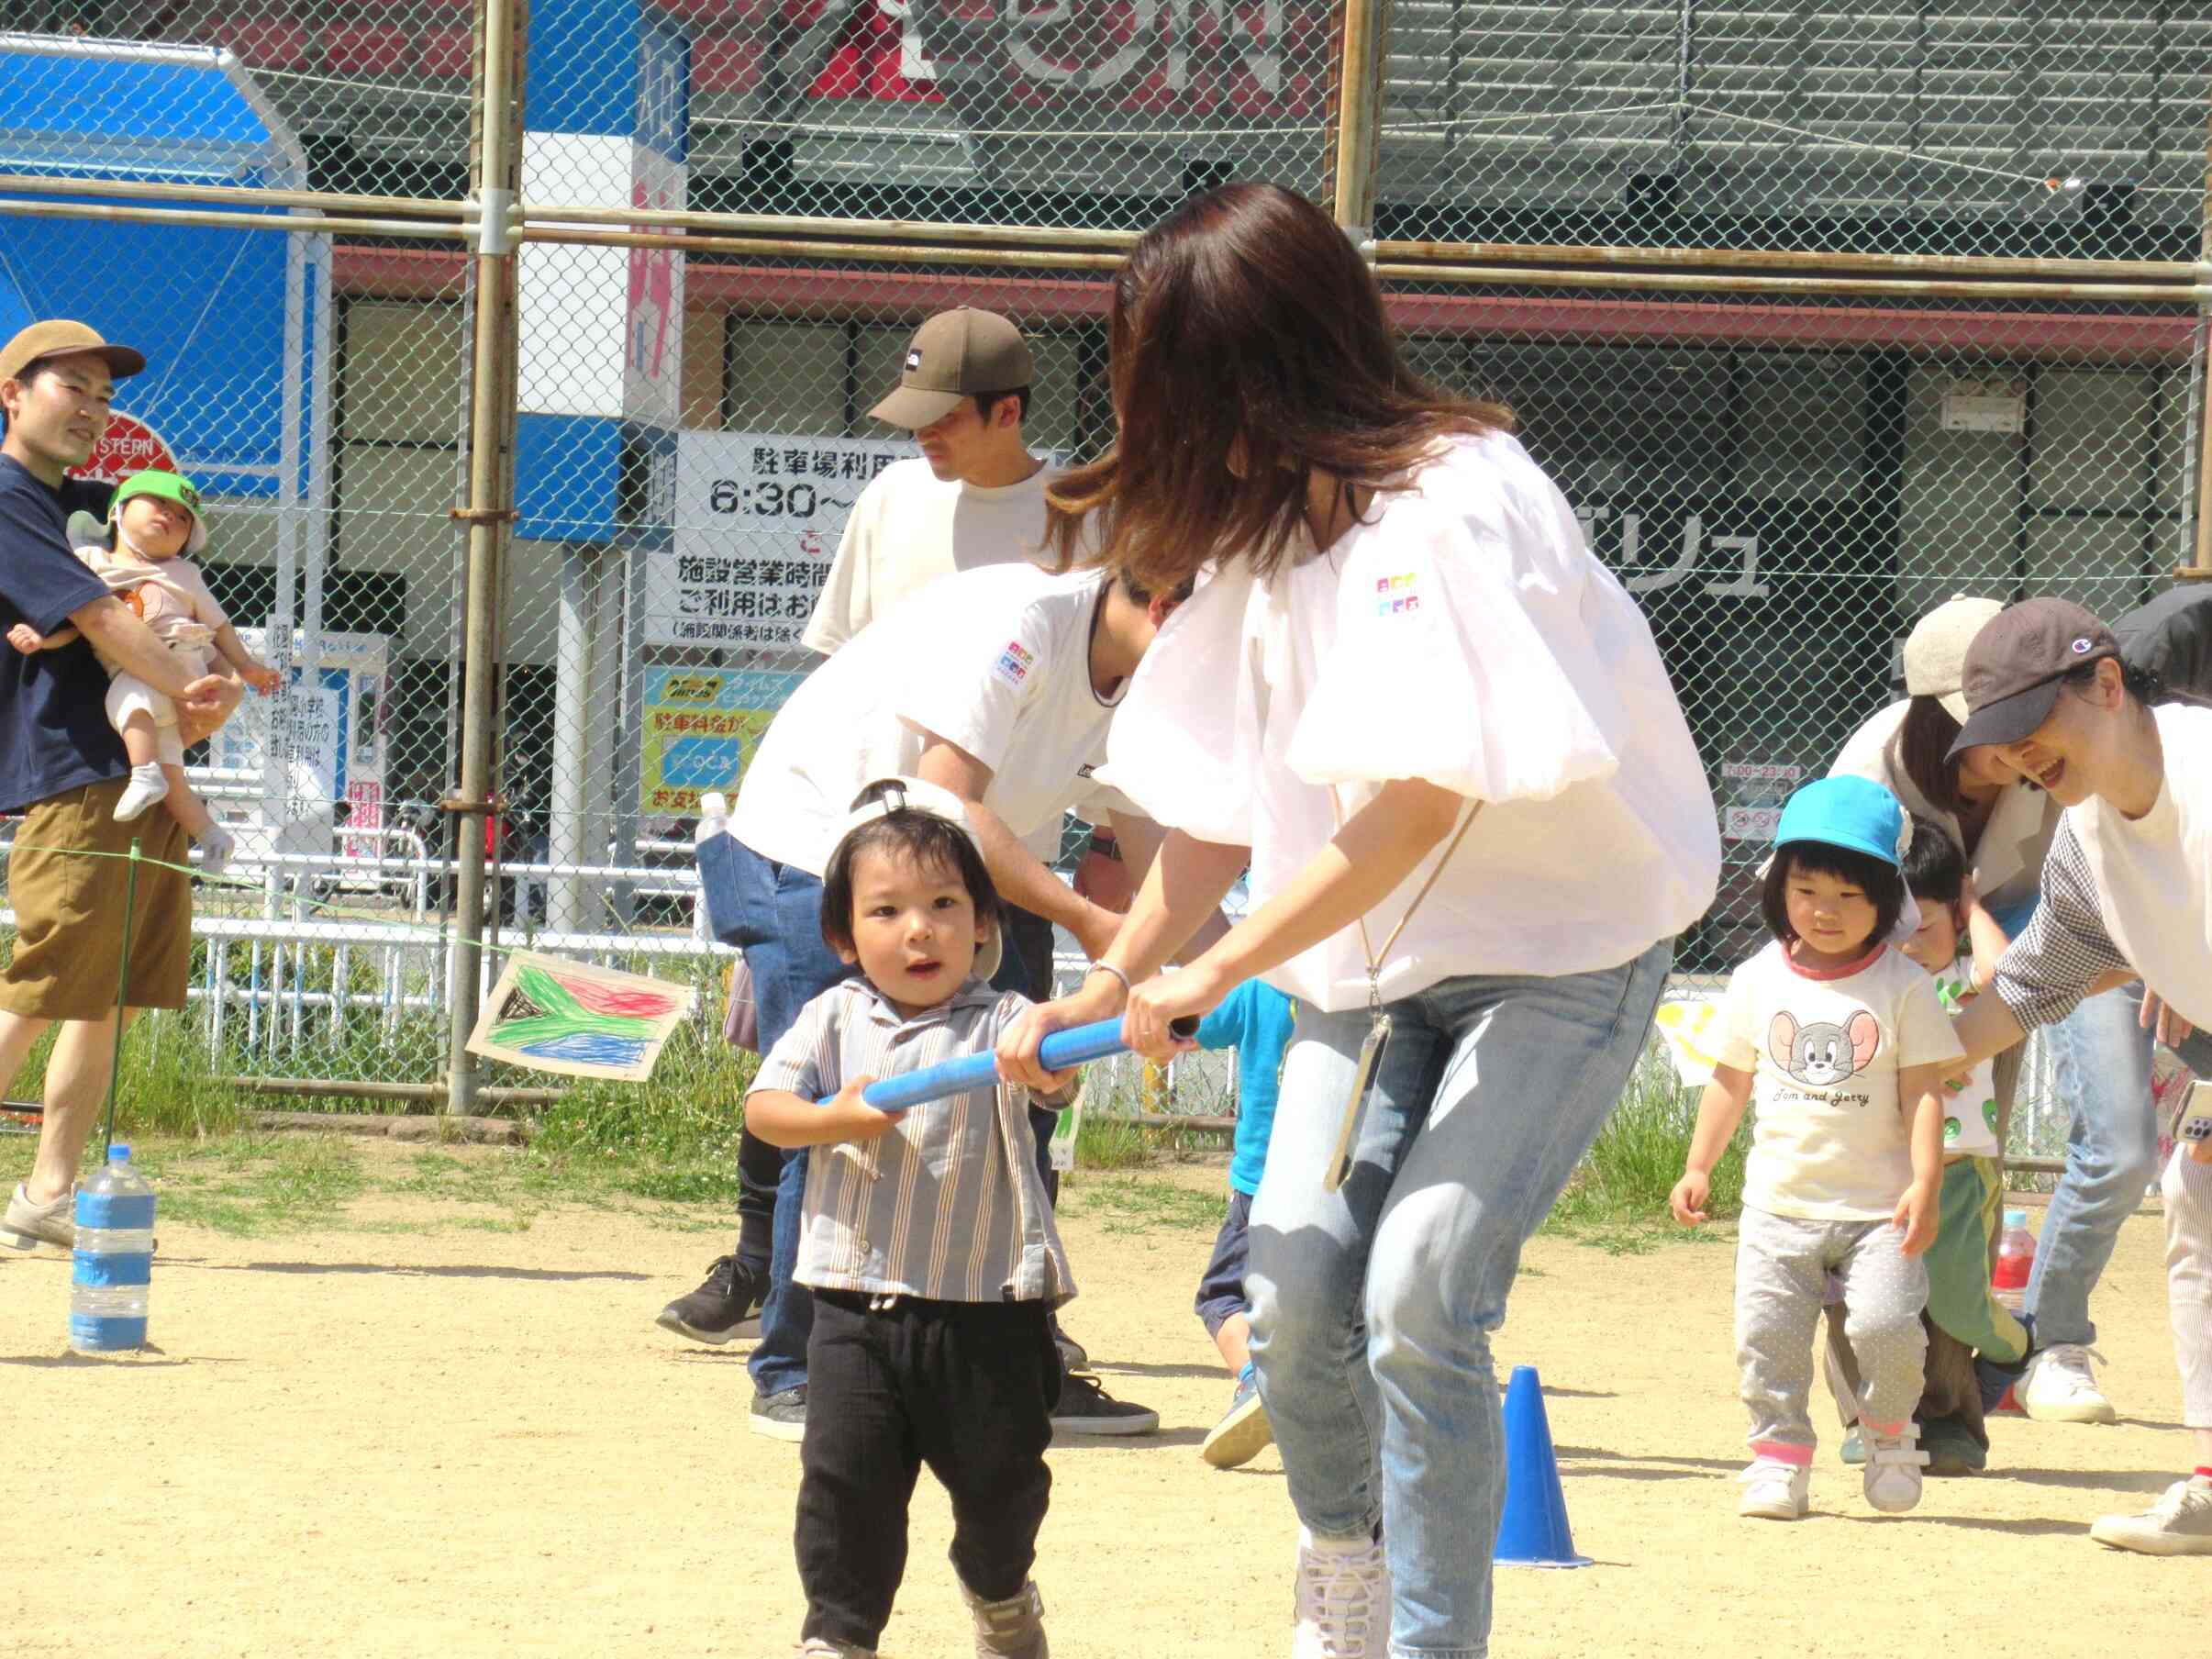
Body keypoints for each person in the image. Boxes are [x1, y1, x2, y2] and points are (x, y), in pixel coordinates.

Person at [997, 183, 1720, 1659]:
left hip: (1557, 959)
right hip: (1358, 971)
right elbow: (1212, 809)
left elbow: (1409, 811)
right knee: (1294, 1287)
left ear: (1250, 367)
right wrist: (1113, 973)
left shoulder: (1453, 504)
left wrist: (1205, 969)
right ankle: (1344, 1560)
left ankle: (1429, 1642)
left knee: (1418, 1291)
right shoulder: (1259, 531)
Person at [695, 560, 1177, 1442]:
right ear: (1162, 597)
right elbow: (945, 790)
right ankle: (800, 1370)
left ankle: (1012, 1359)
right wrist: (1089, 923)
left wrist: (1243, 985)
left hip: (967, 865)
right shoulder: (1029, 621)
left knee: (1022, 1095)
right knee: (837, 1111)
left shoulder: (1159, 682)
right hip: (823, 847)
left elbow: (1165, 870)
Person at [746, 778, 1064, 1659]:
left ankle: (1000, 1598)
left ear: (982, 925)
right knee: (844, 1489)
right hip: (854, 1306)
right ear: (844, 938)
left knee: (1003, 1492)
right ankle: (837, 1635)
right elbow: (766, 1110)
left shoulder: (1007, 1020)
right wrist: (832, 1120)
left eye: (942, 905)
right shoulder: (832, 1016)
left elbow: (1050, 1074)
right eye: (885, 911)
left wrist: (1045, 1060)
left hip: (988, 1310)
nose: (918, 929)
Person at [1942, 596, 2212, 1553]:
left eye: (2030, 722)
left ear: (2105, 684)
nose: (2019, 754)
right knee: (2197, 1203)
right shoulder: (2086, 839)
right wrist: (1900, 1060)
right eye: (1999, 739)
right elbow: (2026, 986)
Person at [0, 320, 240, 1251]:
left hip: (137, 771)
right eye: (73, 389)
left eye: (103, 396)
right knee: (44, 980)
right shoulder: (13, 496)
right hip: (74, 773)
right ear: (14, 393)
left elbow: (159, 585)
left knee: (101, 995)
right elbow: (97, 614)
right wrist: (190, 685)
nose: (94, 411)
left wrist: (204, 687)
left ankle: (47, 1193)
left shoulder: (93, 506)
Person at [1669, 777, 1952, 1519]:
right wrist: (1698, 1165)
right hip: (1778, 1207)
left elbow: (1925, 1090)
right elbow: (1729, 1080)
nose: (1825, 911)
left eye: (1850, 896)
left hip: (1877, 1212)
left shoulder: (1903, 987)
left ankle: (1889, 1433)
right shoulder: (1755, 979)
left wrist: (1926, 1182)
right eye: (1806, 890)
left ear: (1886, 901)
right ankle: (1777, 1457)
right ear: (1778, 890)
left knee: (1887, 1328)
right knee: (1767, 1340)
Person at [1819, 819, 2033, 1476]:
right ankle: (1873, 1420)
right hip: (1870, 1168)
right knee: (1853, 1297)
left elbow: (2007, 973)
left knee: (1952, 1305)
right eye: (1897, 927)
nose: (1910, 944)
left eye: (1928, 924)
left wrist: (1968, 905)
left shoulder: (1961, 979)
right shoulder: (1869, 984)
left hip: (1957, 1168)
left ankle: (2015, 1343)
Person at [6, 468, 278, 873]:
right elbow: (76, 626)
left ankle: (143, 772)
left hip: (181, 655)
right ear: (117, 512)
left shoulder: (185, 574)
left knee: (126, 698)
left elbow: (218, 626)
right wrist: (42, 640)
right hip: (142, 676)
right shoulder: (90, 561)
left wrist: (245, 665)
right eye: (159, 503)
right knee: (174, 772)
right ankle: (211, 835)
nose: (171, 516)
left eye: (183, 517)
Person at [1186, 978, 1296, 1471]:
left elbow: (1194, 1026)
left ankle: (1255, 1379)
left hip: (1260, 1185)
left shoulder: (1261, 985)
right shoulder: (1354, 990)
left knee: (1224, 1296)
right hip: (1344, 1182)